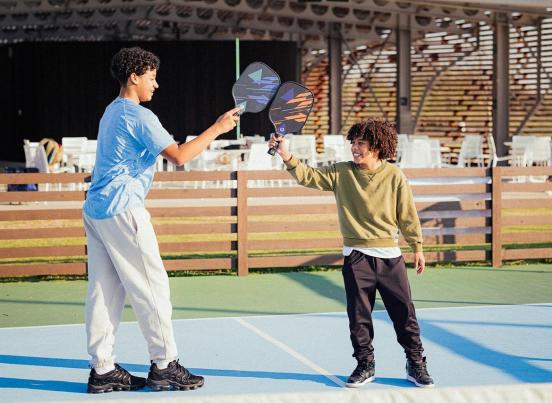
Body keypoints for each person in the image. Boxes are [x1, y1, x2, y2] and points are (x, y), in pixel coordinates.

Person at [83, 47, 239, 393]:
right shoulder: (140, 116)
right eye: (151, 77)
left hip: (96, 210)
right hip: (124, 210)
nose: (156, 84)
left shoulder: (111, 112)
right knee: (152, 289)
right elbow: (180, 156)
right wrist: (218, 127)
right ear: (134, 77)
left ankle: (102, 369)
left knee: (103, 293)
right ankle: (165, 364)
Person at [269, 119, 434, 388]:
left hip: (390, 257)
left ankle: (415, 363)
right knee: (358, 315)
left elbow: (407, 214)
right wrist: (285, 154)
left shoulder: (394, 176)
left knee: (404, 313)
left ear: (377, 147)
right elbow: (308, 176)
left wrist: (417, 246)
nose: (355, 149)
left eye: (361, 144)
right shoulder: (341, 172)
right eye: (353, 143)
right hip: (356, 256)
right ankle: (365, 364)